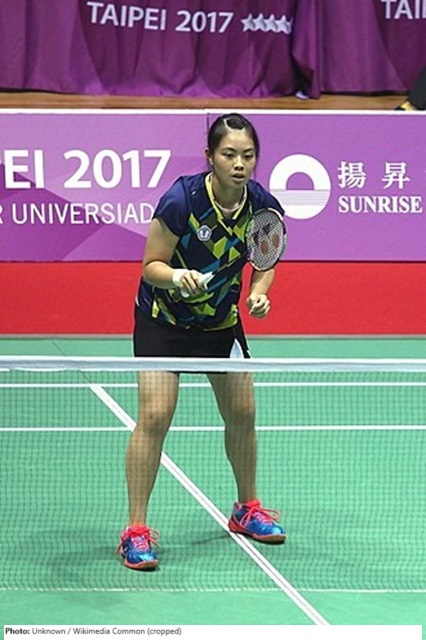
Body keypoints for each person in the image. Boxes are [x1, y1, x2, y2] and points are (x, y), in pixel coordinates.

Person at [117, 113, 286, 571]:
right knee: (155, 415)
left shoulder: (263, 206)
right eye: (229, 154)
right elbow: (150, 264)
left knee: (243, 412)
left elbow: (266, 259)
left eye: (247, 155)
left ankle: (246, 508)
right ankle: (135, 530)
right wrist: (176, 277)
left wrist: (259, 293)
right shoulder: (182, 200)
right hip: (164, 321)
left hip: (219, 324)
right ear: (210, 156)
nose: (239, 164)